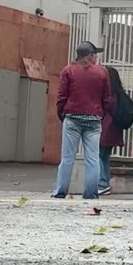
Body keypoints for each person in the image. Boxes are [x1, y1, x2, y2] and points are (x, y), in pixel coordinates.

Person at [53, 41, 112, 200]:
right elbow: (107, 98)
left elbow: (61, 97)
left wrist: (62, 114)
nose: (96, 58)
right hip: (93, 119)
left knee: (67, 158)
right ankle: (91, 193)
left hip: (72, 118)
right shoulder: (102, 72)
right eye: (95, 55)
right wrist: (101, 114)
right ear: (90, 55)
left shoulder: (68, 70)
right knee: (93, 158)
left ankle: (60, 191)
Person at [96, 66, 127, 197]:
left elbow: (104, 107)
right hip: (114, 130)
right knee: (105, 158)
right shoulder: (120, 93)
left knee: (97, 156)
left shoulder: (108, 94)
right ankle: (105, 183)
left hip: (105, 128)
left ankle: (102, 183)